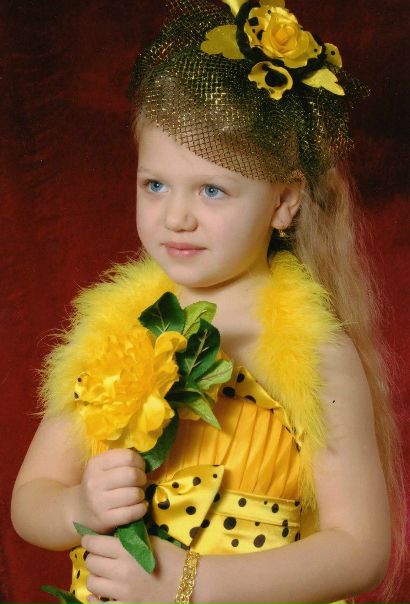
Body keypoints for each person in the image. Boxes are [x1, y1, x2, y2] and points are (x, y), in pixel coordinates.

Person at [11, 1, 405, 603]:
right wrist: (77, 505)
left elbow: (360, 548)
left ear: (284, 204)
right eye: (155, 184)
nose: (176, 216)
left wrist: (191, 585)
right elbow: (30, 498)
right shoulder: (118, 332)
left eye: (212, 191)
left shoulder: (310, 351)